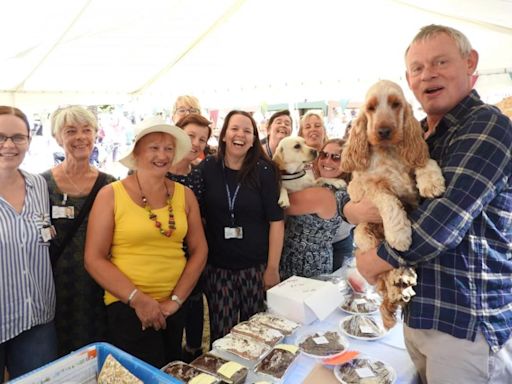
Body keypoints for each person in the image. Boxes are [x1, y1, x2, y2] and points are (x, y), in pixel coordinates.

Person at [354, 25, 512, 383]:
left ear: (470, 63)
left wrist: (371, 261)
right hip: (422, 316)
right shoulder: (421, 134)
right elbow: (367, 189)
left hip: (467, 328)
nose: (428, 74)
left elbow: (441, 225)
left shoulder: (486, 126)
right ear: (409, 80)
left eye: (441, 62)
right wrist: (356, 209)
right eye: (418, 68)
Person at [84, 117, 207, 368]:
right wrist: (138, 299)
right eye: (154, 147)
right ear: (137, 151)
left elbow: (199, 250)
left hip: (173, 307)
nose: (162, 155)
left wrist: (176, 300)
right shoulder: (111, 194)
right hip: (127, 306)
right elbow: (93, 258)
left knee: (170, 368)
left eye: (168, 148)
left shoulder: (186, 195)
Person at [199, 110, 284, 343]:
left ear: (254, 139)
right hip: (218, 269)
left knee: (256, 335)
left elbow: (276, 221)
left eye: (248, 131)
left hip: (255, 268)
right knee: (223, 335)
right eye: (235, 128)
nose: (241, 135)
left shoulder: (263, 171)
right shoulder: (207, 168)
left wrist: (272, 268)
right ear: (224, 134)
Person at [41, 106, 116, 357]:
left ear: (96, 135)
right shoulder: (41, 184)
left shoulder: (110, 184)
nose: (80, 137)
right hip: (54, 283)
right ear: (58, 138)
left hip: (98, 282)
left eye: (87, 130)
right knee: (58, 353)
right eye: (71, 131)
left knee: (97, 350)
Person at [0, 106, 57, 379]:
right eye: (0, 137)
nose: (8, 145)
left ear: (28, 141)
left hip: (37, 319)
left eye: (17, 137)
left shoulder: (39, 186)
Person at [166, 113, 211, 362]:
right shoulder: (157, 171)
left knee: (193, 303)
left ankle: (193, 351)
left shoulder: (199, 175)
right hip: (163, 257)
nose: (196, 143)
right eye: (191, 135)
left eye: (202, 139)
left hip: (193, 253)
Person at [313, 138, 354, 271]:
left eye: (336, 157)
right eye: (324, 155)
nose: (327, 161)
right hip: (317, 252)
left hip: (341, 244)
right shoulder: (310, 180)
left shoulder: (352, 189)